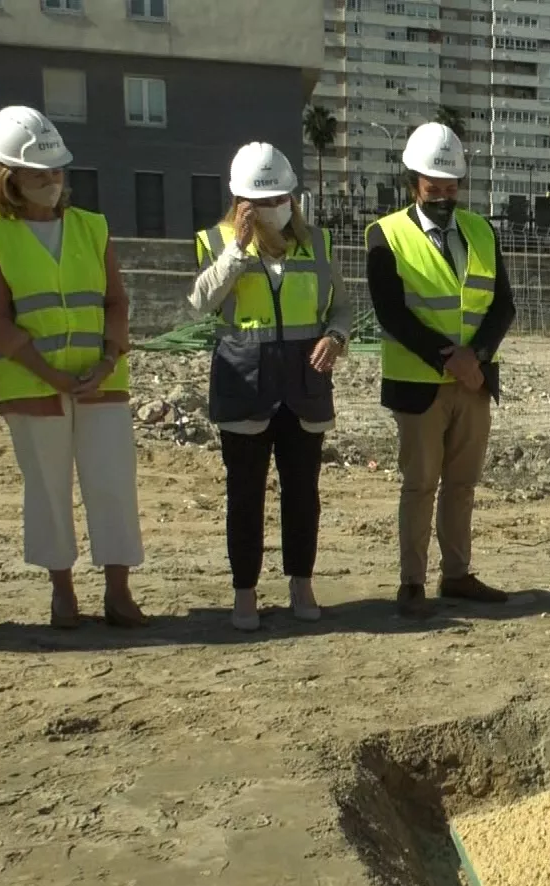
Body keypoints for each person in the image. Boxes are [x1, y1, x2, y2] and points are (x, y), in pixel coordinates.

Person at [0, 105, 146, 629]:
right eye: (37, 174)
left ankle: (118, 592)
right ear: (9, 178)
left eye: (55, 172)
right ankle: (62, 593)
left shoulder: (92, 228)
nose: (51, 182)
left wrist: (109, 358)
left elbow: (116, 301)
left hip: (101, 379)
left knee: (113, 483)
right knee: (47, 489)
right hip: (33, 385)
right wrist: (50, 375)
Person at [190, 143, 347, 631]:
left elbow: (340, 308)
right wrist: (237, 250)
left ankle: (301, 581)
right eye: (265, 201)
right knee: (245, 493)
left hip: (303, 385)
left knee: (303, 492)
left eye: (284, 196)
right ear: (241, 203)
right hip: (246, 382)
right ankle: (245, 592)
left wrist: (336, 337)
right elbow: (201, 302)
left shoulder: (316, 243)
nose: (277, 206)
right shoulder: (216, 242)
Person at [366, 121, 516, 617]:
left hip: (473, 384)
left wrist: (478, 357)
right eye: (435, 190)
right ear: (414, 184)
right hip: (419, 386)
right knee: (420, 484)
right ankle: (412, 582)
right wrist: (450, 358)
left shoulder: (481, 231)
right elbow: (392, 313)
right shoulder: (385, 235)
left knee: (462, 485)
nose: (444, 198)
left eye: (452, 189)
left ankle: (456, 574)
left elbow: (502, 307)